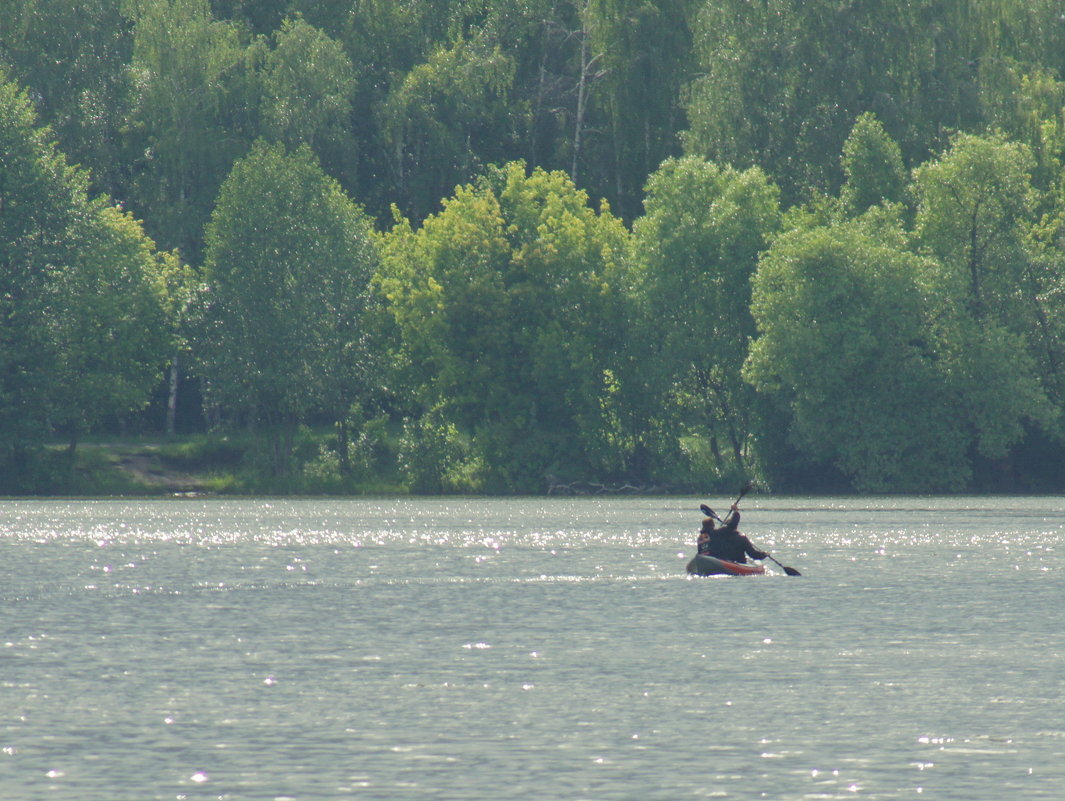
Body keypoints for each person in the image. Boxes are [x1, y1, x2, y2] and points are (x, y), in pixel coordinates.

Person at [697, 503, 768, 564]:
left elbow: (709, 530)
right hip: (733, 563)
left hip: (721, 562)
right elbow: (754, 555)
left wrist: (735, 512)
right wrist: (764, 554)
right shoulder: (741, 538)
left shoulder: (716, 534)